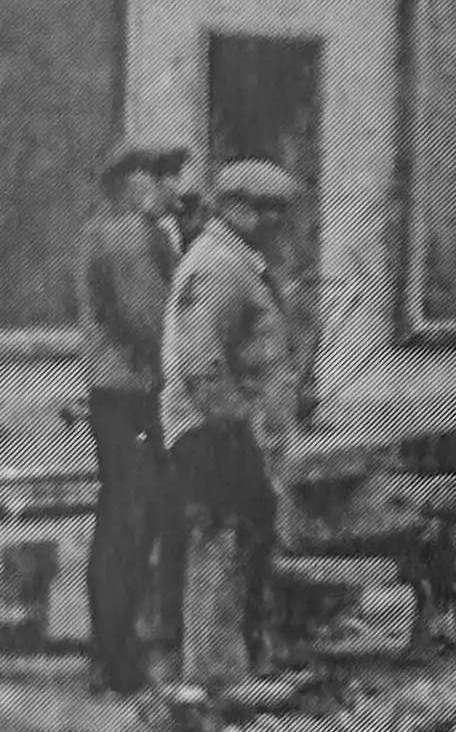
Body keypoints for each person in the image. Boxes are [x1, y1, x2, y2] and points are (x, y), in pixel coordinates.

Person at [164, 160, 299, 706]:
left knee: (242, 540)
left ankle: (234, 665)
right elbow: (201, 361)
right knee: (223, 542)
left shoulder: (237, 261)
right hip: (215, 430)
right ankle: (218, 674)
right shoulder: (221, 267)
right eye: (268, 211)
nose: (277, 223)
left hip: (231, 428)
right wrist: (235, 421)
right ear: (237, 209)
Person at [75, 138, 187, 696]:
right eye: (165, 177)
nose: (174, 190)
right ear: (137, 182)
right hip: (132, 394)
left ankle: (113, 653)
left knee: (128, 516)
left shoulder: (116, 232)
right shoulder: (126, 238)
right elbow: (151, 323)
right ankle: (118, 659)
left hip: (119, 391)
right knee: (131, 519)